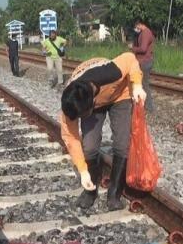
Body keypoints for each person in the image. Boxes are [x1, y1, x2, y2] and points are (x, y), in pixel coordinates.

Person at [60, 52, 146, 211]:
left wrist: (137, 85)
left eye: (82, 116)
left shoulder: (110, 73)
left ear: (93, 102)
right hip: (89, 101)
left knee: (122, 143)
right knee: (90, 146)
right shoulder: (71, 101)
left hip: (119, 95)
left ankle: (114, 193)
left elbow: (129, 58)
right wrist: (83, 170)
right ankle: (90, 193)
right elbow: (71, 138)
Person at [132, 18, 155, 112]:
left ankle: (149, 107)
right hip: (145, 61)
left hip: (145, 62)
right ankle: (144, 105)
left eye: (136, 26)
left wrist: (133, 48)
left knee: (144, 85)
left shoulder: (145, 33)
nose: (136, 28)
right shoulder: (144, 32)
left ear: (139, 24)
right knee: (142, 84)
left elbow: (143, 49)